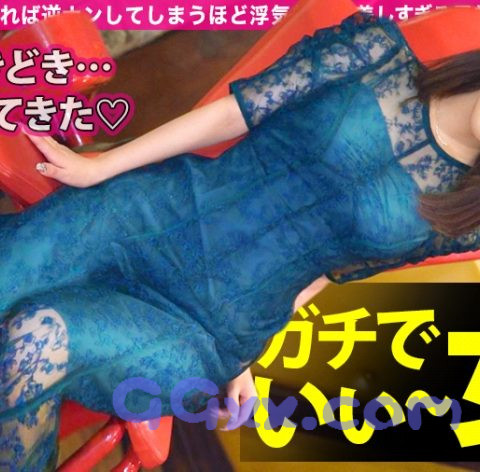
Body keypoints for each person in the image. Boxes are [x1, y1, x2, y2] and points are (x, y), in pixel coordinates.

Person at [2, 9, 480, 470]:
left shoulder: (464, 218)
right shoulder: (375, 52)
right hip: (147, 217)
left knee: (37, 339)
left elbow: (325, 270)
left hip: (203, 328)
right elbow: (233, 114)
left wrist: (245, 357)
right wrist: (101, 166)